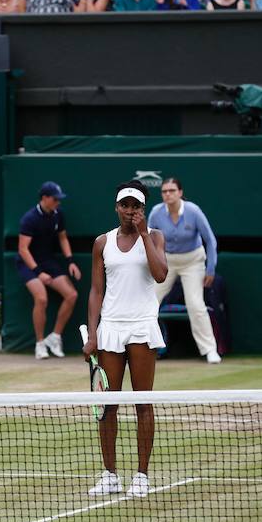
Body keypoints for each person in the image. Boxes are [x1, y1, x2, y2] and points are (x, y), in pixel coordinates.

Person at [83, 180, 167, 498]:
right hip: (111, 328)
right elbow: (96, 290)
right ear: (117, 207)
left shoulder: (155, 236)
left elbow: (160, 274)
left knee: (143, 404)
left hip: (142, 327)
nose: (130, 211)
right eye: (125, 205)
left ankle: (141, 476)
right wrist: (92, 334)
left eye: (136, 206)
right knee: (107, 406)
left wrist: (144, 234)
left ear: (143, 210)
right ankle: (109, 475)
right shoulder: (101, 243)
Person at [148, 178, 221, 364]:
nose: (168, 194)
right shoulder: (156, 213)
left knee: (196, 304)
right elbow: (149, 241)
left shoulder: (193, 211)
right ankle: (146, 346)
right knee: (148, 303)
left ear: (180, 192)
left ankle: (210, 350)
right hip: (167, 261)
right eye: (164, 191)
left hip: (193, 261)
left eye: (172, 190)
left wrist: (210, 268)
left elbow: (210, 240)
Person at [16, 181, 81, 360]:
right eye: (55, 199)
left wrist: (71, 261)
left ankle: (55, 337)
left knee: (71, 295)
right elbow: (23, 249)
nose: (58, 202)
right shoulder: (29, 219)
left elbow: (63, 238)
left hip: (48, 261)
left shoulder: (58, 214)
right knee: (42, 298)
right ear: (44, 198)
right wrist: (38, 272)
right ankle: (40, 344)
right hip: (28, 263)